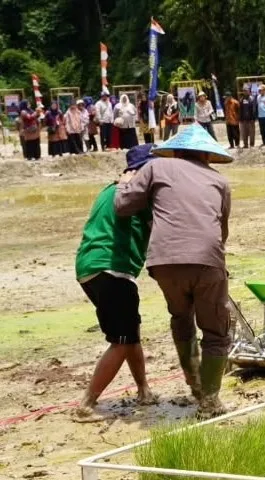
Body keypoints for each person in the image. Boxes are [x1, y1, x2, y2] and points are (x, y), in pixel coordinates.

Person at [114, 125, 234, 418]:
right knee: (216, 331)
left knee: (181, 317)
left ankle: (194, 386)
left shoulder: (156, 167)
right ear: (207, 154)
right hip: (207, 259)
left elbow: (122, 206)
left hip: (164, 262)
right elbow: (222, 230)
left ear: (177, 150)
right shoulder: (219, 182)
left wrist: (123, 182)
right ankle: (209, 401)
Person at [73, 145, 159, 421]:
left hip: (89, 267)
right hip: (112, 269)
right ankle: (87, 404)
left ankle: (143, 389)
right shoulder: (136, 194)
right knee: (121, 341)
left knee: (130, 332)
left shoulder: (108, 190)